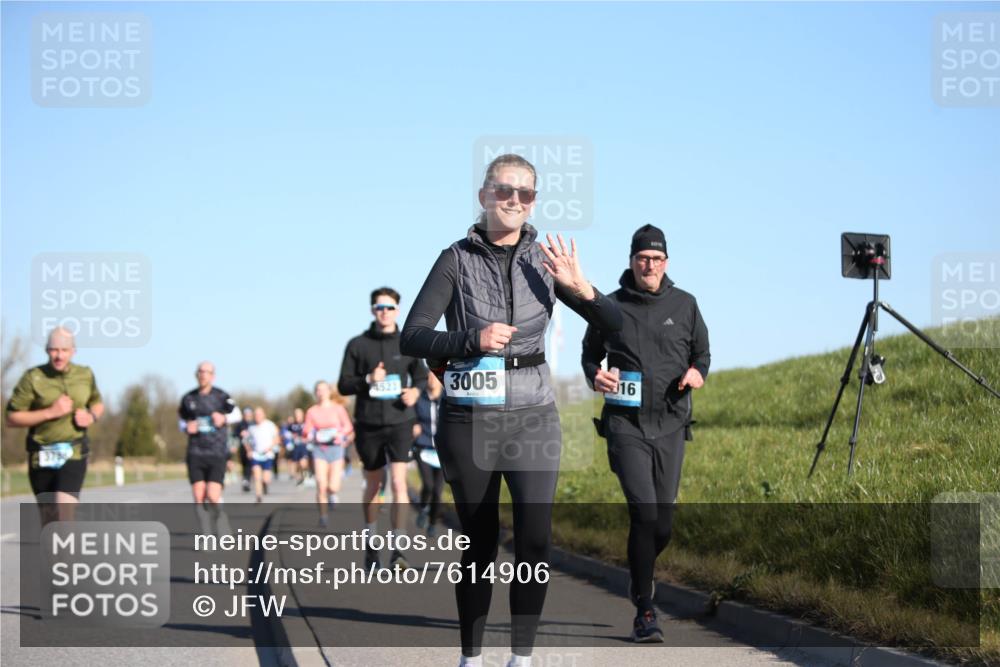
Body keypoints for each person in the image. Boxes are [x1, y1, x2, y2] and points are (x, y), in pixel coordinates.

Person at [401, 153, 622, 667]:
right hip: (470, 418)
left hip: (532, 415)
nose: (514, 200)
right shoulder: (455, 259)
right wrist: (470, 339)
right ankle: (471, 657)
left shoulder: (544, 262)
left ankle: (521, 658)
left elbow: (615, 324)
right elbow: (413, 336)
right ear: (484, 196)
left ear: (534, 202)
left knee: (535, 540)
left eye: (525, 193)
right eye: (504, 190)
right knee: (479, 542)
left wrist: (583, 287)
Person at [581, 224, 710, 642]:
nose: (649, 265)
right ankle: (645, 609)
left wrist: (697, 372)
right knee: (645, 514)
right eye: (642, 258)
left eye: (656, 259)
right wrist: (595, 376)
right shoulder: (610, 306)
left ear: (666, 263)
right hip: (626, 425)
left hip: (671, 423)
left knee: (663, 525)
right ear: (632, 261)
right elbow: (589, 356)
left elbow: (702, 354)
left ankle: (641, 572)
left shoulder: (686, 304)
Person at [338, 287, 428, 571]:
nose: (385, 312)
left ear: (398, 311)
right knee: (374, 485)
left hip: (401, 421)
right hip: (369, 424)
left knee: (400, 483)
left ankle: (399, 549)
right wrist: (368, 379)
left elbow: (422, 376)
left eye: (390, 307)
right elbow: (343, 384)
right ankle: (371, 541)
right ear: (372, 310)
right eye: (380, 307)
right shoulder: (357, 344)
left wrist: (415, 392)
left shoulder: (408, 343)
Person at [6, 327, 105, 524]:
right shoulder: (33, 377)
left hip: (73, 451)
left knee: (64, 513)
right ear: (46, 350)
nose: (59, 356)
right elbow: (11, 417)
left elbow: (97, 402)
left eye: (64, 350)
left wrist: (91, 416)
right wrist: (50, 412)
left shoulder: (84, 375)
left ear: (73, 351)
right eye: (54, 350)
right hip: (41, 454)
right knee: (49, 521)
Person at [178, 362, 241, 532]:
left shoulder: (221, 396)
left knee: (213, 496)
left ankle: (221, 519)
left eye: (207, 372)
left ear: (213, 376)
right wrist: (186, 427)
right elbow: (181, 421)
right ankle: (206, 533)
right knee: (199, 496)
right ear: (196, 374)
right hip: (195, 452)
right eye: (200, 371)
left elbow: (237, 414)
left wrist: (224, 418)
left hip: (217, 451)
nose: (203, 374)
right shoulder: (188, 398)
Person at [303, 381, 355, 527]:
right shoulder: (312, 411)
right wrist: (311, 434)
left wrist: (340, 433)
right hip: (320, 449)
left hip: (336, 448)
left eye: (323, 390)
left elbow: (348, 426)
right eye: (318, 390)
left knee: (333, 486)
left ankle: (332, 494)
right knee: (321, 484)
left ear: (329, 391)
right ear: (315, 393)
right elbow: (306, 430)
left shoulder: (338, 409)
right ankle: (323, 516)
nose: (321, 393)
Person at [413, 370, 444, 537]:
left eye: (434, 376)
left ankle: (432, 523)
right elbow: (410, 416)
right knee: (428, 485)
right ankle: (423, 508)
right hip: (423, 447)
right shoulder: (419, 398)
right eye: (428, 377)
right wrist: (414, 424)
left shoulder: (447, 399)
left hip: (442, 451)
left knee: (438, 491)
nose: (431, 380)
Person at [246, 406, 279, 503]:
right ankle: (258, 496)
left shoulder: (270, 425)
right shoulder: (251, 427)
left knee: (266, 479)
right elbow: (246, 441)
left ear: (264, 415)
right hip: (256, 454)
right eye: (256, 415)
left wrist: (270, 447)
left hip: (267, 454)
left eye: (259, 414)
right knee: (257, 476)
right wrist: (249, 451)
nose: (257, 416)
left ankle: (265, 484)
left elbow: (277, 438)